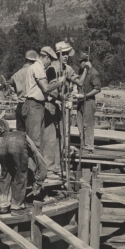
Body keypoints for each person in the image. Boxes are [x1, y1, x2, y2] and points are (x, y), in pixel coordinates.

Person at [43, 42, 88, 178]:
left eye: (69, 54)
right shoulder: (51, 69)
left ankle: (57, 165)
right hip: (51, 105)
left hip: (63, 106)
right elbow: (50, 90)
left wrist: (85, 69)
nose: (67, 56)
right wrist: (60, 96)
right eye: (65, 54)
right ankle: (49, 166)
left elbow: (79, 82)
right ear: (58, 54)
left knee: (62, 136)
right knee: (51, 137)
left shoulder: (67, 69)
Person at [0, 120, 47, 216]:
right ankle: (17, 207)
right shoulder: (22, 136)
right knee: (20, 174)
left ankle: (4, 205)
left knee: (5, 173)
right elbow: (39, 160)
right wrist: (39, 181)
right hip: (16, 144)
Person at [22, 47, 66, 154]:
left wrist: (52, 99)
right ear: (46, 57)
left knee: (38, 140)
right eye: (50, 60)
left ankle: (37, 168)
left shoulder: (36, 67)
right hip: (34, 106)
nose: (50, 63)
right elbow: (46, 88)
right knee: (34, 141)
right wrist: (60, 82)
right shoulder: (38, 68)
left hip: (37, 105)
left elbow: (41, 92)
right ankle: (32, 169)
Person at [74, 54, 101, 153]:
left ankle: (89, 147)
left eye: (83, 61)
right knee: (80, 124)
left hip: (88, 101)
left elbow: (97, 89)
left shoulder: (94, 73)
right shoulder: (81, 72)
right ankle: (83, 145)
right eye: (80, 61)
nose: (81, 63)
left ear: (88, 61)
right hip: (80, 101)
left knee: (88, 125)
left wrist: (85, 96)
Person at [9, 50, 39, 131]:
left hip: (20, 105)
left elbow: (10, 85)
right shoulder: (34, 72)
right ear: (33, 61)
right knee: (32, 135)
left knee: (20, 135)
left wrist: (18, 91)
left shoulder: (17, 73)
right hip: (30, 106)